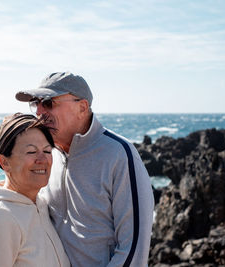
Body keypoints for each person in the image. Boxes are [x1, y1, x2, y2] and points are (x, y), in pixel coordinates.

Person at [15, 72, 155, 267]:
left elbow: (133, 249)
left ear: (82, 107)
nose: (38, 111)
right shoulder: (48, 156)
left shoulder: (119, 154)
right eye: (35, 103)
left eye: (48, 102)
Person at [0, 113, 70, 267]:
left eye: (47, 151)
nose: (42, 160)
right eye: (31, 152)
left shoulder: (40, 204)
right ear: (4, 162)